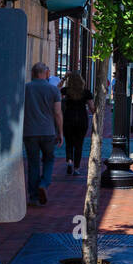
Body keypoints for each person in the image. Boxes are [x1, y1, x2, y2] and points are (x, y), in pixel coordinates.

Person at [24, 62, 63, 206]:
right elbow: (57, 113)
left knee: (33, 163)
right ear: (45, 73)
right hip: (48, 132)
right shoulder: (53, 90)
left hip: (29, 132)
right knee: (49, 159)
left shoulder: (26, 88)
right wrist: (60, 132)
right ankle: (44, 183)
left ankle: (33, 196)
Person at [61, 73, 95, 175]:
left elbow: (55, 91)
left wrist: (64, 78)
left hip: (68, 119)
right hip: (81, 120)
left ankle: (70, 161)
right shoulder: (86, 93)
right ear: (81, 81)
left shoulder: (66, 91)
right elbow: (92, 109)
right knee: (79, 144)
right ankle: (76, 168)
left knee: (69, 143)